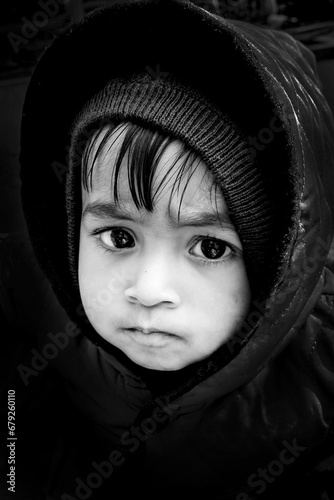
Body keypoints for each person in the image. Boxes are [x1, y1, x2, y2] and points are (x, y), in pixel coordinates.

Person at [1, 0, 334, 498]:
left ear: (274, 267)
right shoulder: (32, 306)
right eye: (118, 237)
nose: (148, 290)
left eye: (209, 247)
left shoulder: (320, 389)